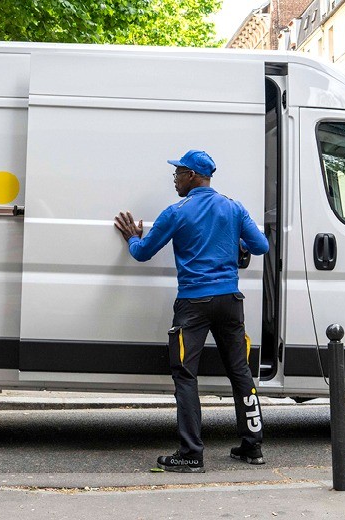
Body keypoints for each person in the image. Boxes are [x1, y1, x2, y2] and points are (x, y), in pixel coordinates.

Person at [113, 149, 271, 474]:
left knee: (185, 376)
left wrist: (131, 238)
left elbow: (143, 253)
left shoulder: (176, 212)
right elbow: (261, 246)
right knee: (240, 371)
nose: (174, 178)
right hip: (229, 301)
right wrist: (237, 245)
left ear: (193, 177)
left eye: (178, 172)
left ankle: (190, 453)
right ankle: (252, 446)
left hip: (193, 305)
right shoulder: (233, 207)